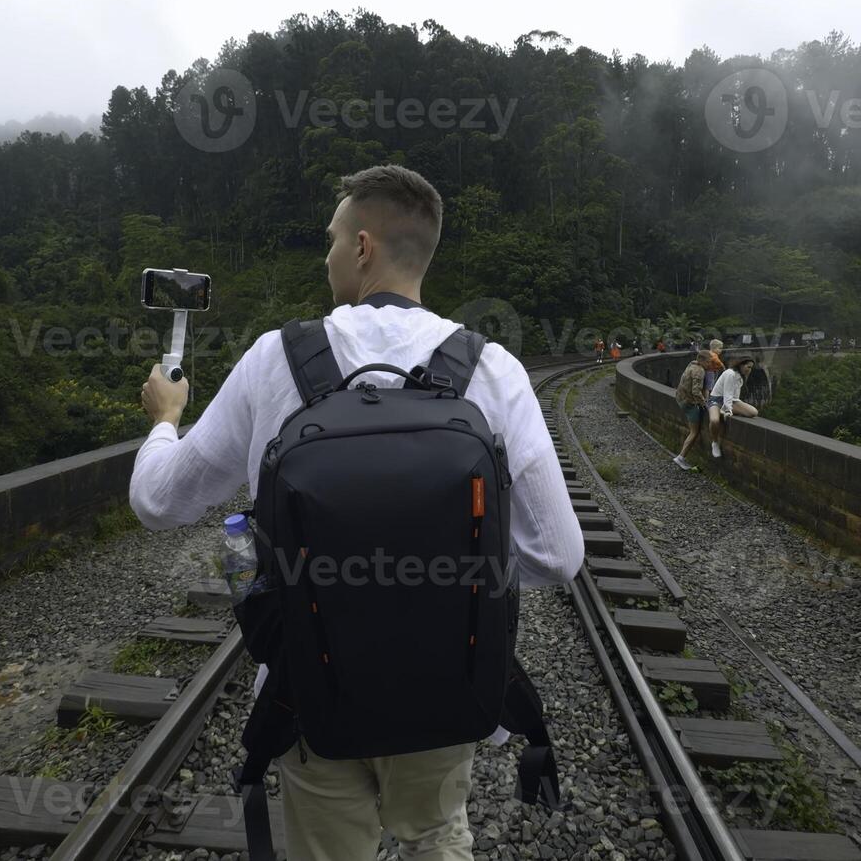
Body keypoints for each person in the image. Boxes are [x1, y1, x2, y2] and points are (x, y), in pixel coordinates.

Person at [129, 164, 583, 859]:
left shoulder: (273, 359)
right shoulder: (492, 369)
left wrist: (166, 418)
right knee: (436, 838)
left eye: (333, 239)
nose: (328, 253)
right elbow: (559, 555)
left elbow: (158, 501)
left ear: (363, 247)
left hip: (310, 698)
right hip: (448, 692)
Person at [705, 354, 760, 458]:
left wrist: (732, 407)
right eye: (748, 367)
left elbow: (734, 396)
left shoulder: (740, 377)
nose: (750, 370)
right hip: (716, 400)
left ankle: (723, 410)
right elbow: (727, 394)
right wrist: (729, 409)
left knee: (753, 412)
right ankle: (715, 442)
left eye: (751, 368)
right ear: (741, 365)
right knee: (714, 421)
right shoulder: (730, 373)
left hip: (731, 400)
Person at [671, 349, 717, 470]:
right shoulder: (699, 371)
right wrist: (705, 403)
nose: (710, 364)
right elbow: (696, 391)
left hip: (681, 399)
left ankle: (681, 457)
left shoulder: (692, 364)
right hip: (690, 404)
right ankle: (681, 457)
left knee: (693, 430)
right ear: (701, 361)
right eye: (708, 362)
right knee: (694, 432)